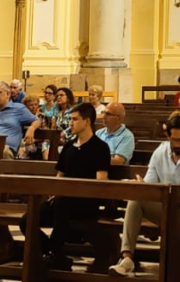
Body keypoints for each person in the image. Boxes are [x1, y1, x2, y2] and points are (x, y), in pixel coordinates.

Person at [109, 112, 180, 276]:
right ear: (168, 136)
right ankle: (127, 258)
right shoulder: (160, 152)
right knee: (137, 200)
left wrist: (174, 195)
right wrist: (143, 186)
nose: (178, 144)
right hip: (166, 208)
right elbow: (151, 186)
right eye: (174, 140)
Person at [22, 103, 112, 270]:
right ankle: (55, 253)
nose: (71, 123)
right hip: (62, 201)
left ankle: (55, 256)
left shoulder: (100, 147)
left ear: (87, 121)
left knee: (62, 203)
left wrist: (71, 192)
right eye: (70, 119)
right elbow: (60, 175)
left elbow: (101, 182)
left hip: (85, 203)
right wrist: (54, 192)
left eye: (75, 119)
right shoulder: (69, 146)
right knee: (27, 220)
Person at [0, 80, 42, 156]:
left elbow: (37, 120)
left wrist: (31, 128)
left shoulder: (18, 108)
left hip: (4, 148)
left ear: (8, 94)